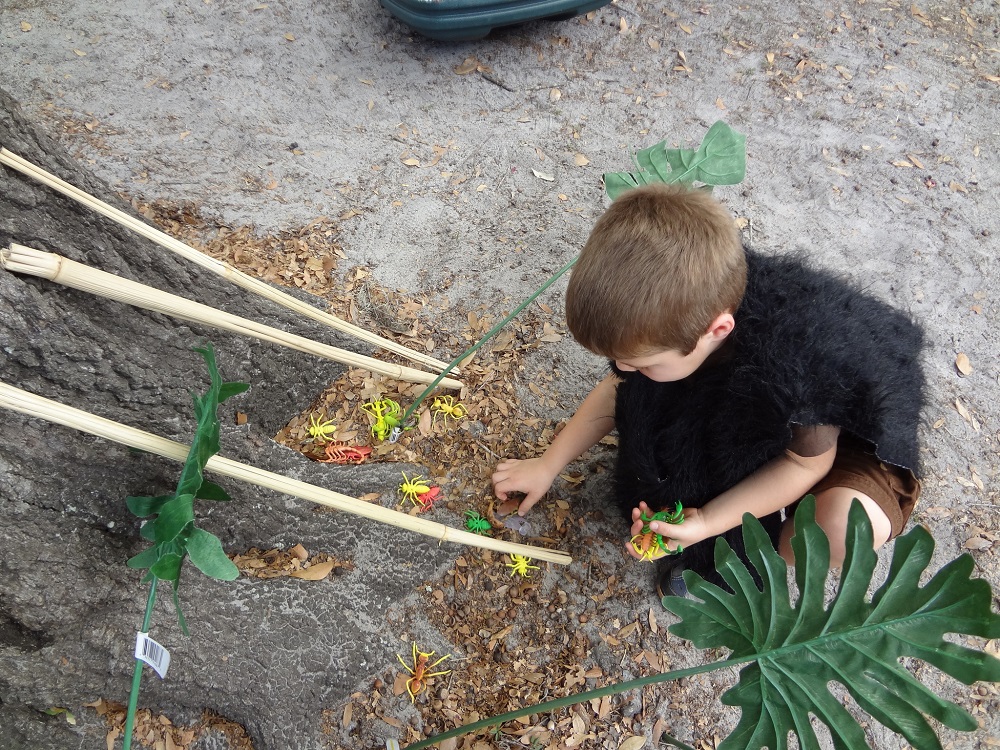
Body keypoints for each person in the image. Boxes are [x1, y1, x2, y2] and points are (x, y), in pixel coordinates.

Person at [491, 183, 923, 596]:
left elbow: (803, 463)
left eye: (639, 362)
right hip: (750, 389)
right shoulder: (686, 310)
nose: (622, 369)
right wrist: (549, 463)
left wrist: (708, 522)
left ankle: (747, 559)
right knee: (675, 419)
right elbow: (620, 387)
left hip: (844, 424)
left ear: (716, 329)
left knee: (845, 525)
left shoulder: (800, 373)